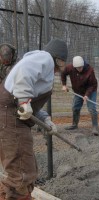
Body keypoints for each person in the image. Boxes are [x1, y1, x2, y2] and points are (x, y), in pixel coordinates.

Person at [0, 39, 68, 200]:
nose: (59, 70)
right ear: (58, 60)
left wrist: (46, 120)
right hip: (10, 118)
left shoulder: (39, 63)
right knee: (21, 174)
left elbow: (29, 107)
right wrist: (24, 101)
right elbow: (25, 75)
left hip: (11, 116)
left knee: (24, 168)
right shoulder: (44, 58)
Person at [61, 56, 99, 136]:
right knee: (75, 108)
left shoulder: (90, 71)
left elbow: (92, 85)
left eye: (81, 67)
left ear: (83, 64)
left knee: (92, 108)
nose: (80, 69)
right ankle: (74, 125)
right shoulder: (70, 67)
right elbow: (63, 73)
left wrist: (86, 95)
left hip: (91, 91)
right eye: (78, 68)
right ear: (74, 66)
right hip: (78, 91)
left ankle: (95, 127)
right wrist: (64, 85)